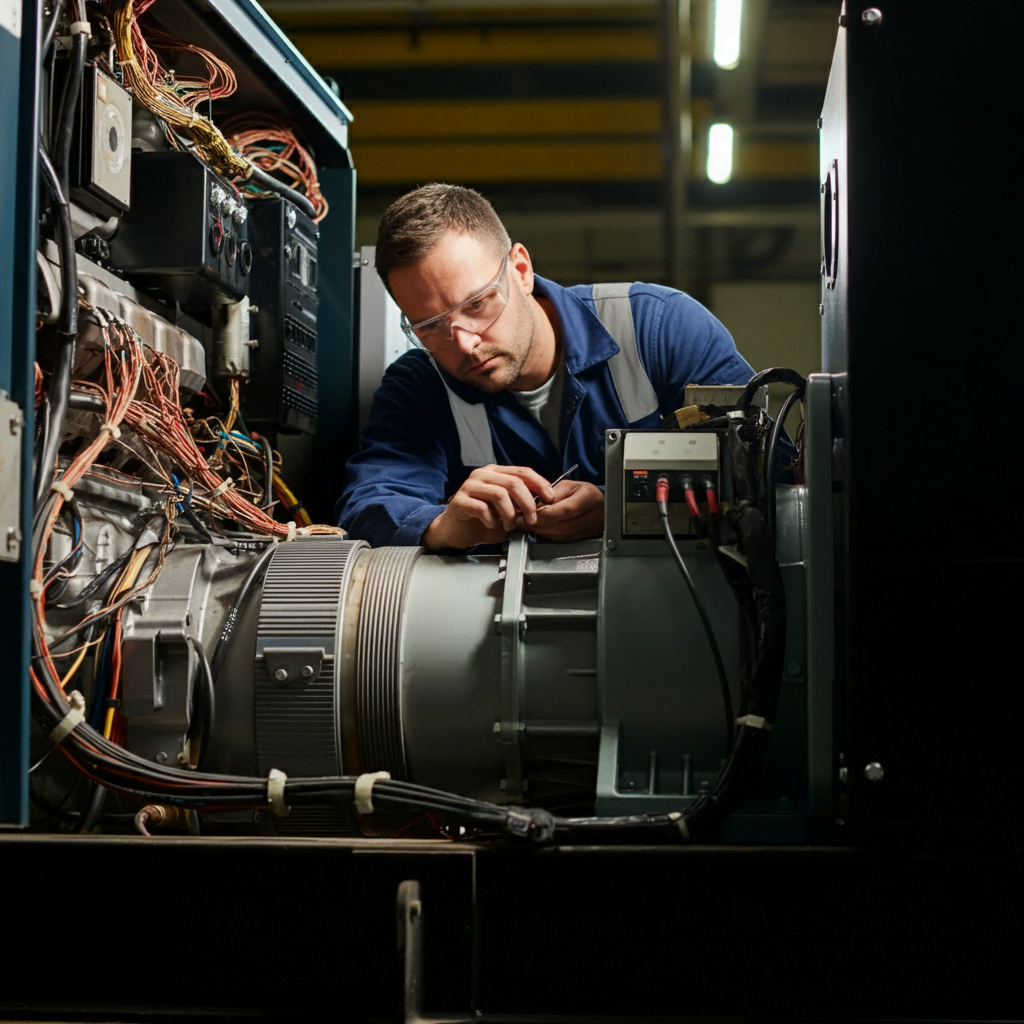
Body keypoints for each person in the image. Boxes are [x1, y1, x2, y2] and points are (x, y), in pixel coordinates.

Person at [337, 184, 756, 550]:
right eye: (430, 326)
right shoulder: (420, 386)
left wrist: (617, 505)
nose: (464, 344)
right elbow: (367, 508)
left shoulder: (661, 330)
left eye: (477, 304)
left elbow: (768, 475)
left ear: (520, 270)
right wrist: (441, 525)